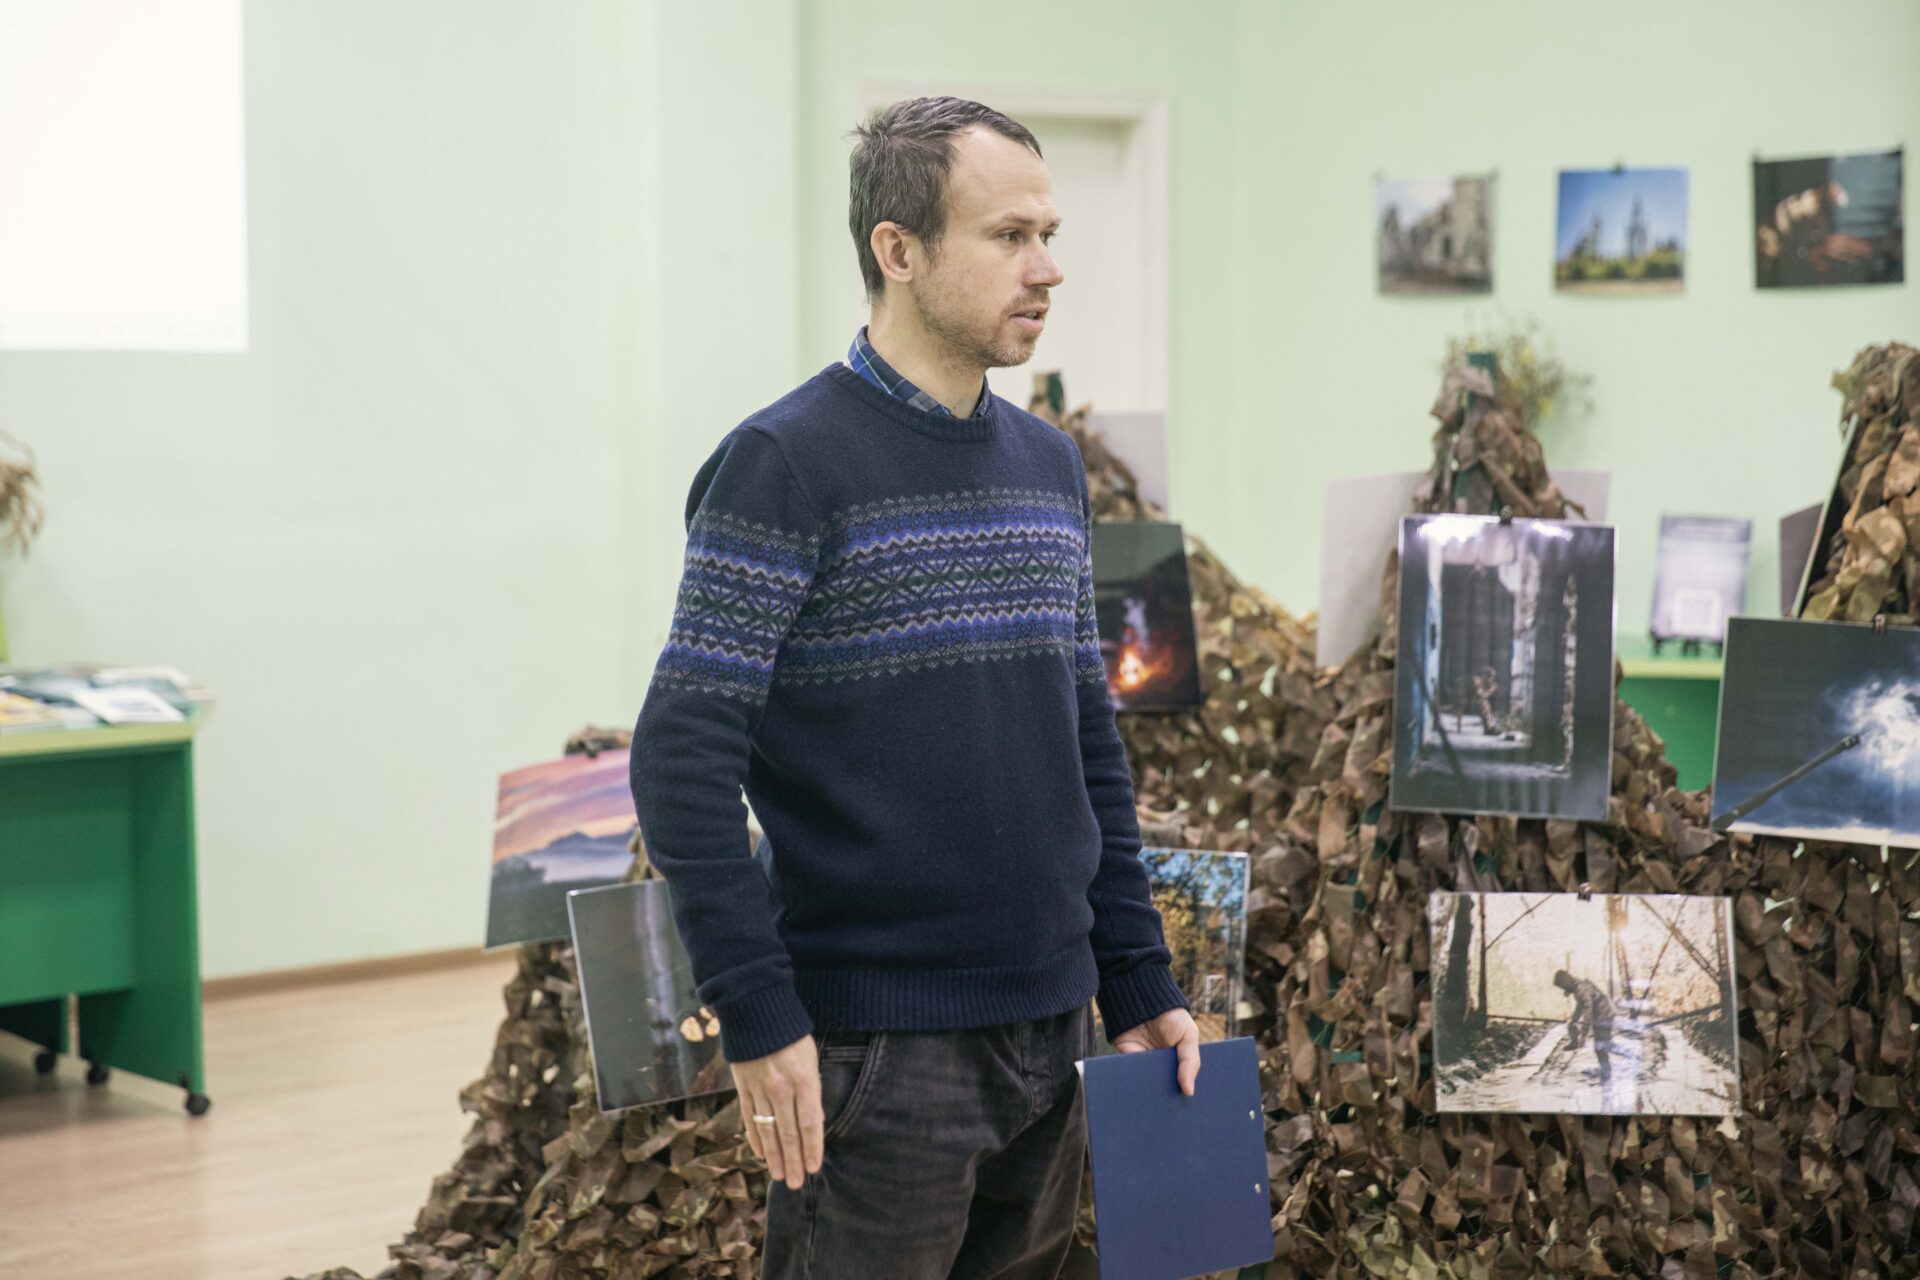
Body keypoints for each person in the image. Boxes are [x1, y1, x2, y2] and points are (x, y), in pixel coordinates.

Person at [629, 96, 1197, 1279]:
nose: (1047, 268)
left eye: (1049, 234)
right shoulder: (783, 464)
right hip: (879, 1051)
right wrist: (757, 1009)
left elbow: (1084, 742)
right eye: (1009, 236)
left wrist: (1136, 972)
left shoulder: (1048, 464)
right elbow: (681, 757)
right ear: (898, 249)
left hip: (1055, 1027)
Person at [1553, 968, 1614, 1082]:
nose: (1564, 990)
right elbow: (1580, 1007)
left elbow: (1588, 1012)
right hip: (1600, 1015)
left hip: (1604, 1015)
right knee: (1600, 1044)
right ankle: (1605, 1069)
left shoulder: (1581, 989)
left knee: (1600, 1046)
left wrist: (1583, 1035)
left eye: (1563, 987)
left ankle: (1607, 1073)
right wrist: (1573, 1020)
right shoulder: (1578, 987)